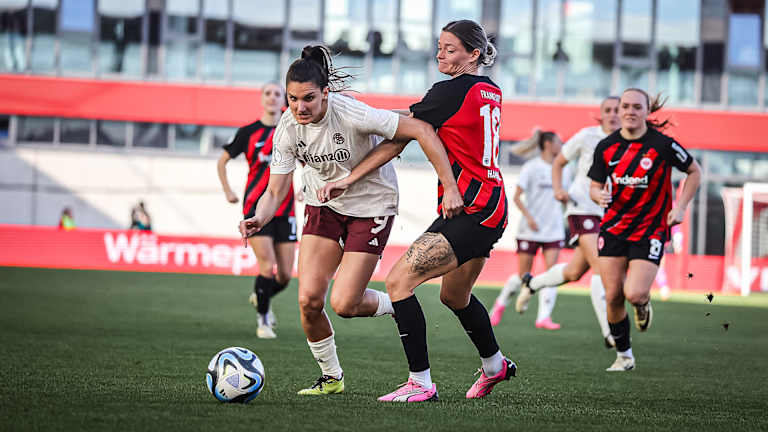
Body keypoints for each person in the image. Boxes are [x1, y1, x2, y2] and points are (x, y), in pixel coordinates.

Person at [239, 45, 463, 396]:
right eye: (293, 99)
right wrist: (260, 217)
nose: (300, 107)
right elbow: (275, 191)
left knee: (344, 305)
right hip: (322, 207)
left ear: (326, 93)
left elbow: (421, 130)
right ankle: (332, 378)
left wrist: (450, 187)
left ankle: (396, 304)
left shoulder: (352, 113)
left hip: (371, 207)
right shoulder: (286, 128)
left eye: (309, 98)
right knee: (309, 301)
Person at [322, 20, 515, 402]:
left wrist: (349, 176)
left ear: (474, 54)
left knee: (398, 283)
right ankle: (495, 366)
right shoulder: (489, 89)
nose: (440, 53)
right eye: (439, 46)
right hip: (491, 204)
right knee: (454, 297)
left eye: (450, 48)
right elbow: (409, 122)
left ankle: (420, 383)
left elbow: (399, 132)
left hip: (472, 207)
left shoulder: (452, 90)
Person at [587, 88, 701, 372]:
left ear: (647, 112)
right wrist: (597, 195)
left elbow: (694, 171)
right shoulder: (606, 146)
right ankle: (625, 357)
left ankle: (643, 303)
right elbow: (594, 185)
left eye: (636, 107)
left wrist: (681, 207)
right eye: (625, 106)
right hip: (613, 228)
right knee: (612, 295)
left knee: (634, 293)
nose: (629, 111)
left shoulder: (662, 145)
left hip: (650, 228)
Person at [496, 97, 621, 348]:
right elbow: (520, 194)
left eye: (618, 110)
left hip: (567, 223)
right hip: (565, 215)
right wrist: (548, 199)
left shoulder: (628, 144)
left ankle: (536, 292)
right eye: (608, 110)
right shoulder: (583, 138)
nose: (614, 114)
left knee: (573, 272)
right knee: (601, 267)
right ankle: (612, 332)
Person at [217, 82, 296, 339]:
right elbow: (223, 161)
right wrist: (228, 191)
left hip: (287, 209)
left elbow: (308, 162)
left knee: (284, 275)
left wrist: (306, 186)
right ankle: (263, 319)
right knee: (267, 267)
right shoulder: (248, 132)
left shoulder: (293, 130)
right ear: (262, 99)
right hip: (256, 208)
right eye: (268, 94)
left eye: (277, 94)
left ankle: (261, 296)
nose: (273, 98)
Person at [489, 131, 565, 330]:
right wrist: (530, 218)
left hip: (553, 229)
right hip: (529, 229)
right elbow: (516, 197)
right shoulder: (532, 167)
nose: (562, 145)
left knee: (551, 273)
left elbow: (565, 193)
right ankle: (500, 304)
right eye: (559, 141)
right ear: (548, 144)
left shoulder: (562, 168)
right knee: (524, 276)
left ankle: (544, 317)